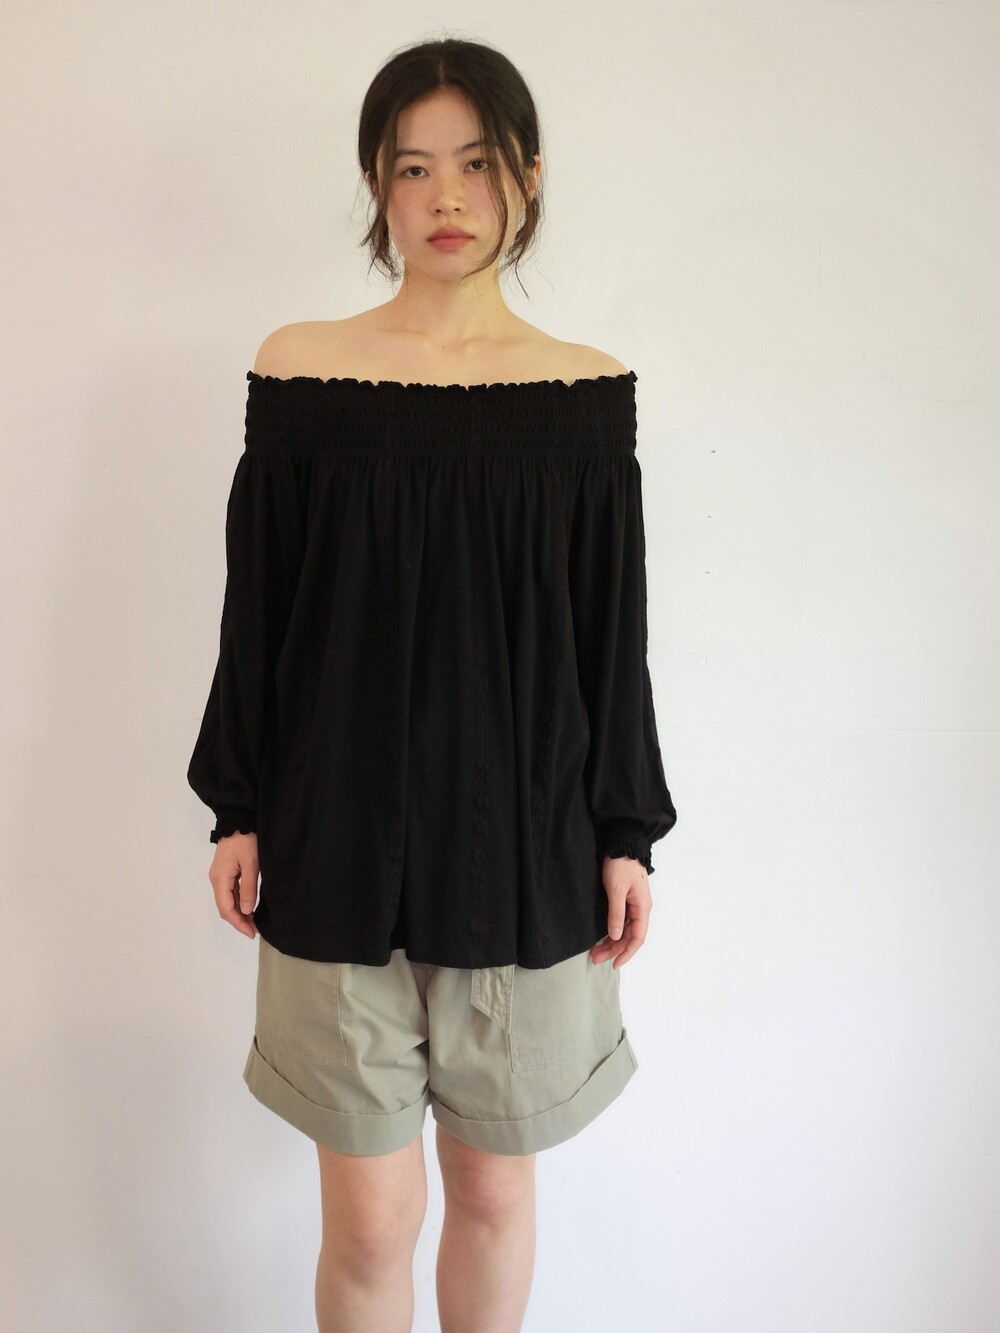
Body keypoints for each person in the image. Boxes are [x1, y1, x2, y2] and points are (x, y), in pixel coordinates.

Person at [187, 35, 677, 1333]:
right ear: (378, 185)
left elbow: (611, 635)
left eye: (475, 163)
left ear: (527, 175)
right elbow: (259, 610)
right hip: (334, 843)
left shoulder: (582, 396)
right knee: (371, 1218)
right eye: (412, 168)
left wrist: (625, 832)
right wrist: (238, 806)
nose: (445, 196)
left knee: (495, 1192)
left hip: (524, 853)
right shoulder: (302, 372)